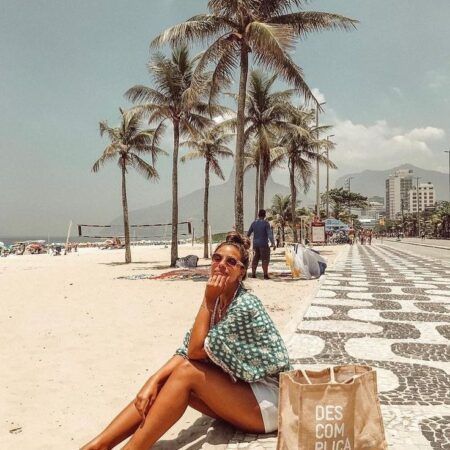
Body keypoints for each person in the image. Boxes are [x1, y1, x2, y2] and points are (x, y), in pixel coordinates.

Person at [80, 232, 291, 450]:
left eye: (231, 262)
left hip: (269, 402)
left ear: (241, 272)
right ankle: (99, 445)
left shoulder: (244, 305)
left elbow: (196, 351)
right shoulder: (220, 301)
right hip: (245, 392)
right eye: (217, 258)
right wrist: (151, 382)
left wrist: (206, 301)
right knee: (173, 380)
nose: (221, 265)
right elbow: (185, 348)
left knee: (187, 372)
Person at [247, 209, 276, 279]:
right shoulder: (266, 223)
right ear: (265, 215)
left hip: (255, 244)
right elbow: (269, 234)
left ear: (258, 215)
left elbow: (248, 234)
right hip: (263, 244)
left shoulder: (254, 223)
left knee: (255, 259)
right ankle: (265, 275)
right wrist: (273, 243)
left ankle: (253, 274)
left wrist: (245, 242)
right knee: (265, 259)